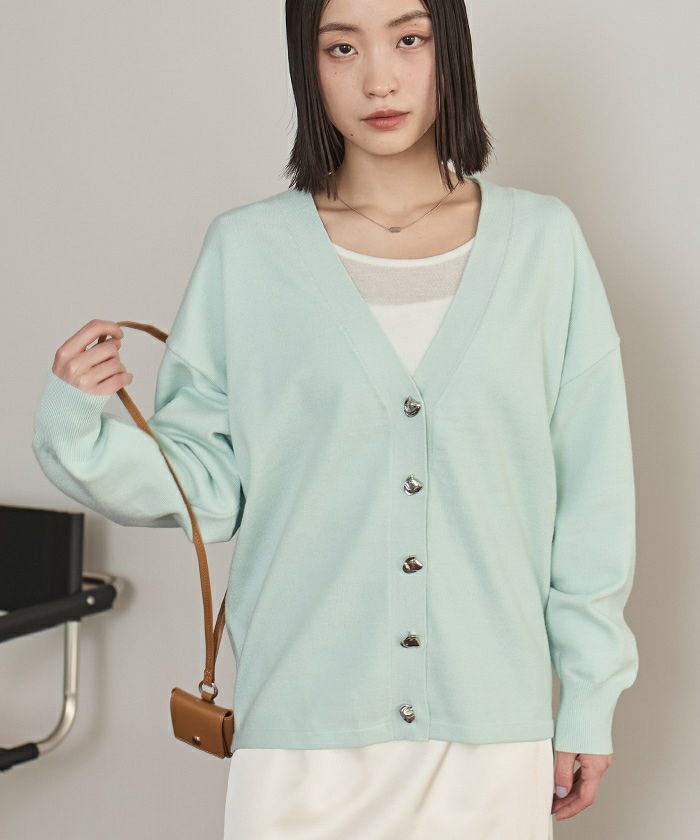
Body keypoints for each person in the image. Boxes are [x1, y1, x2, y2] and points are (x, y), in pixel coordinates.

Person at [32, 0, 639, 837]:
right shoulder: (247, 253)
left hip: (491, 737)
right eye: (341, 48)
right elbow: (211, 490)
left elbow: (593, 499)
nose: (378, 79)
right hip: (301, 742)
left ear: (450, 49)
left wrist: (590, 699)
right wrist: (78, 427)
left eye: (409, 39)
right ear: (306, 64)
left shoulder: (545, 244)